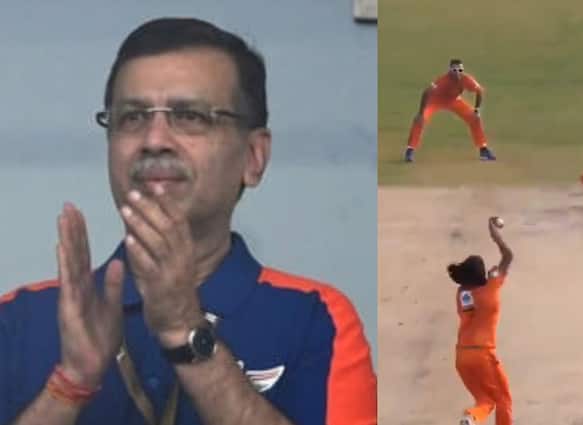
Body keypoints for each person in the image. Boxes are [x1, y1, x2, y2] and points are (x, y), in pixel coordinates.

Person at [0, 18, 376, 425]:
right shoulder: (20, 318)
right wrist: (69, 386)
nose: (154, 140)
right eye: (132, 117)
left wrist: (187, 333)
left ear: (253, 157)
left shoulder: (313, 317)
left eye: (191, 116)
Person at [447, 218, 514, 425]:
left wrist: (489, 277)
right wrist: (495, 235)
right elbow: (508, 256)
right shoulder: (491, 288)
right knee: (503, 399)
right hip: (483, 354)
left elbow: (470, 296)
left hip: (462, 355)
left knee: (485, 400)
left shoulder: (462, 293)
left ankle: (471, 418)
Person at [404, 59, 496, 162]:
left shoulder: (466, 79)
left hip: (454, 100)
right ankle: (410, 150)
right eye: (454, 70)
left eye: (460, 70)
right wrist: (421, 113)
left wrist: (477, 110)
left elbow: (479, 91)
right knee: (419, 120)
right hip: (435, 100)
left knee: (475, 118)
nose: (457, 73)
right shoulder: (443, 80)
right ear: (449, 70)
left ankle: (483, 150)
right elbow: (426, 92)